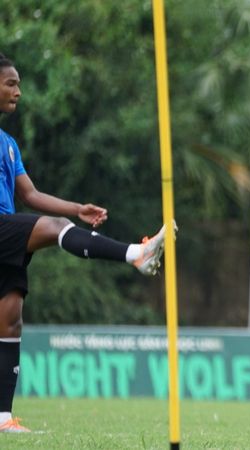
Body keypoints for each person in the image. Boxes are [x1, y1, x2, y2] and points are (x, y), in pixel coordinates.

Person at [0, 53, 169, 432]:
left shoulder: (8, 143)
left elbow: (29, 194)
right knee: (53, 227)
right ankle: (135, 253)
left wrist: (77, 208)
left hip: (7, 232)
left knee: (9, 321)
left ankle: (2, 419)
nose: (19, 92)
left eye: (19, 84)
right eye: (11, 84)